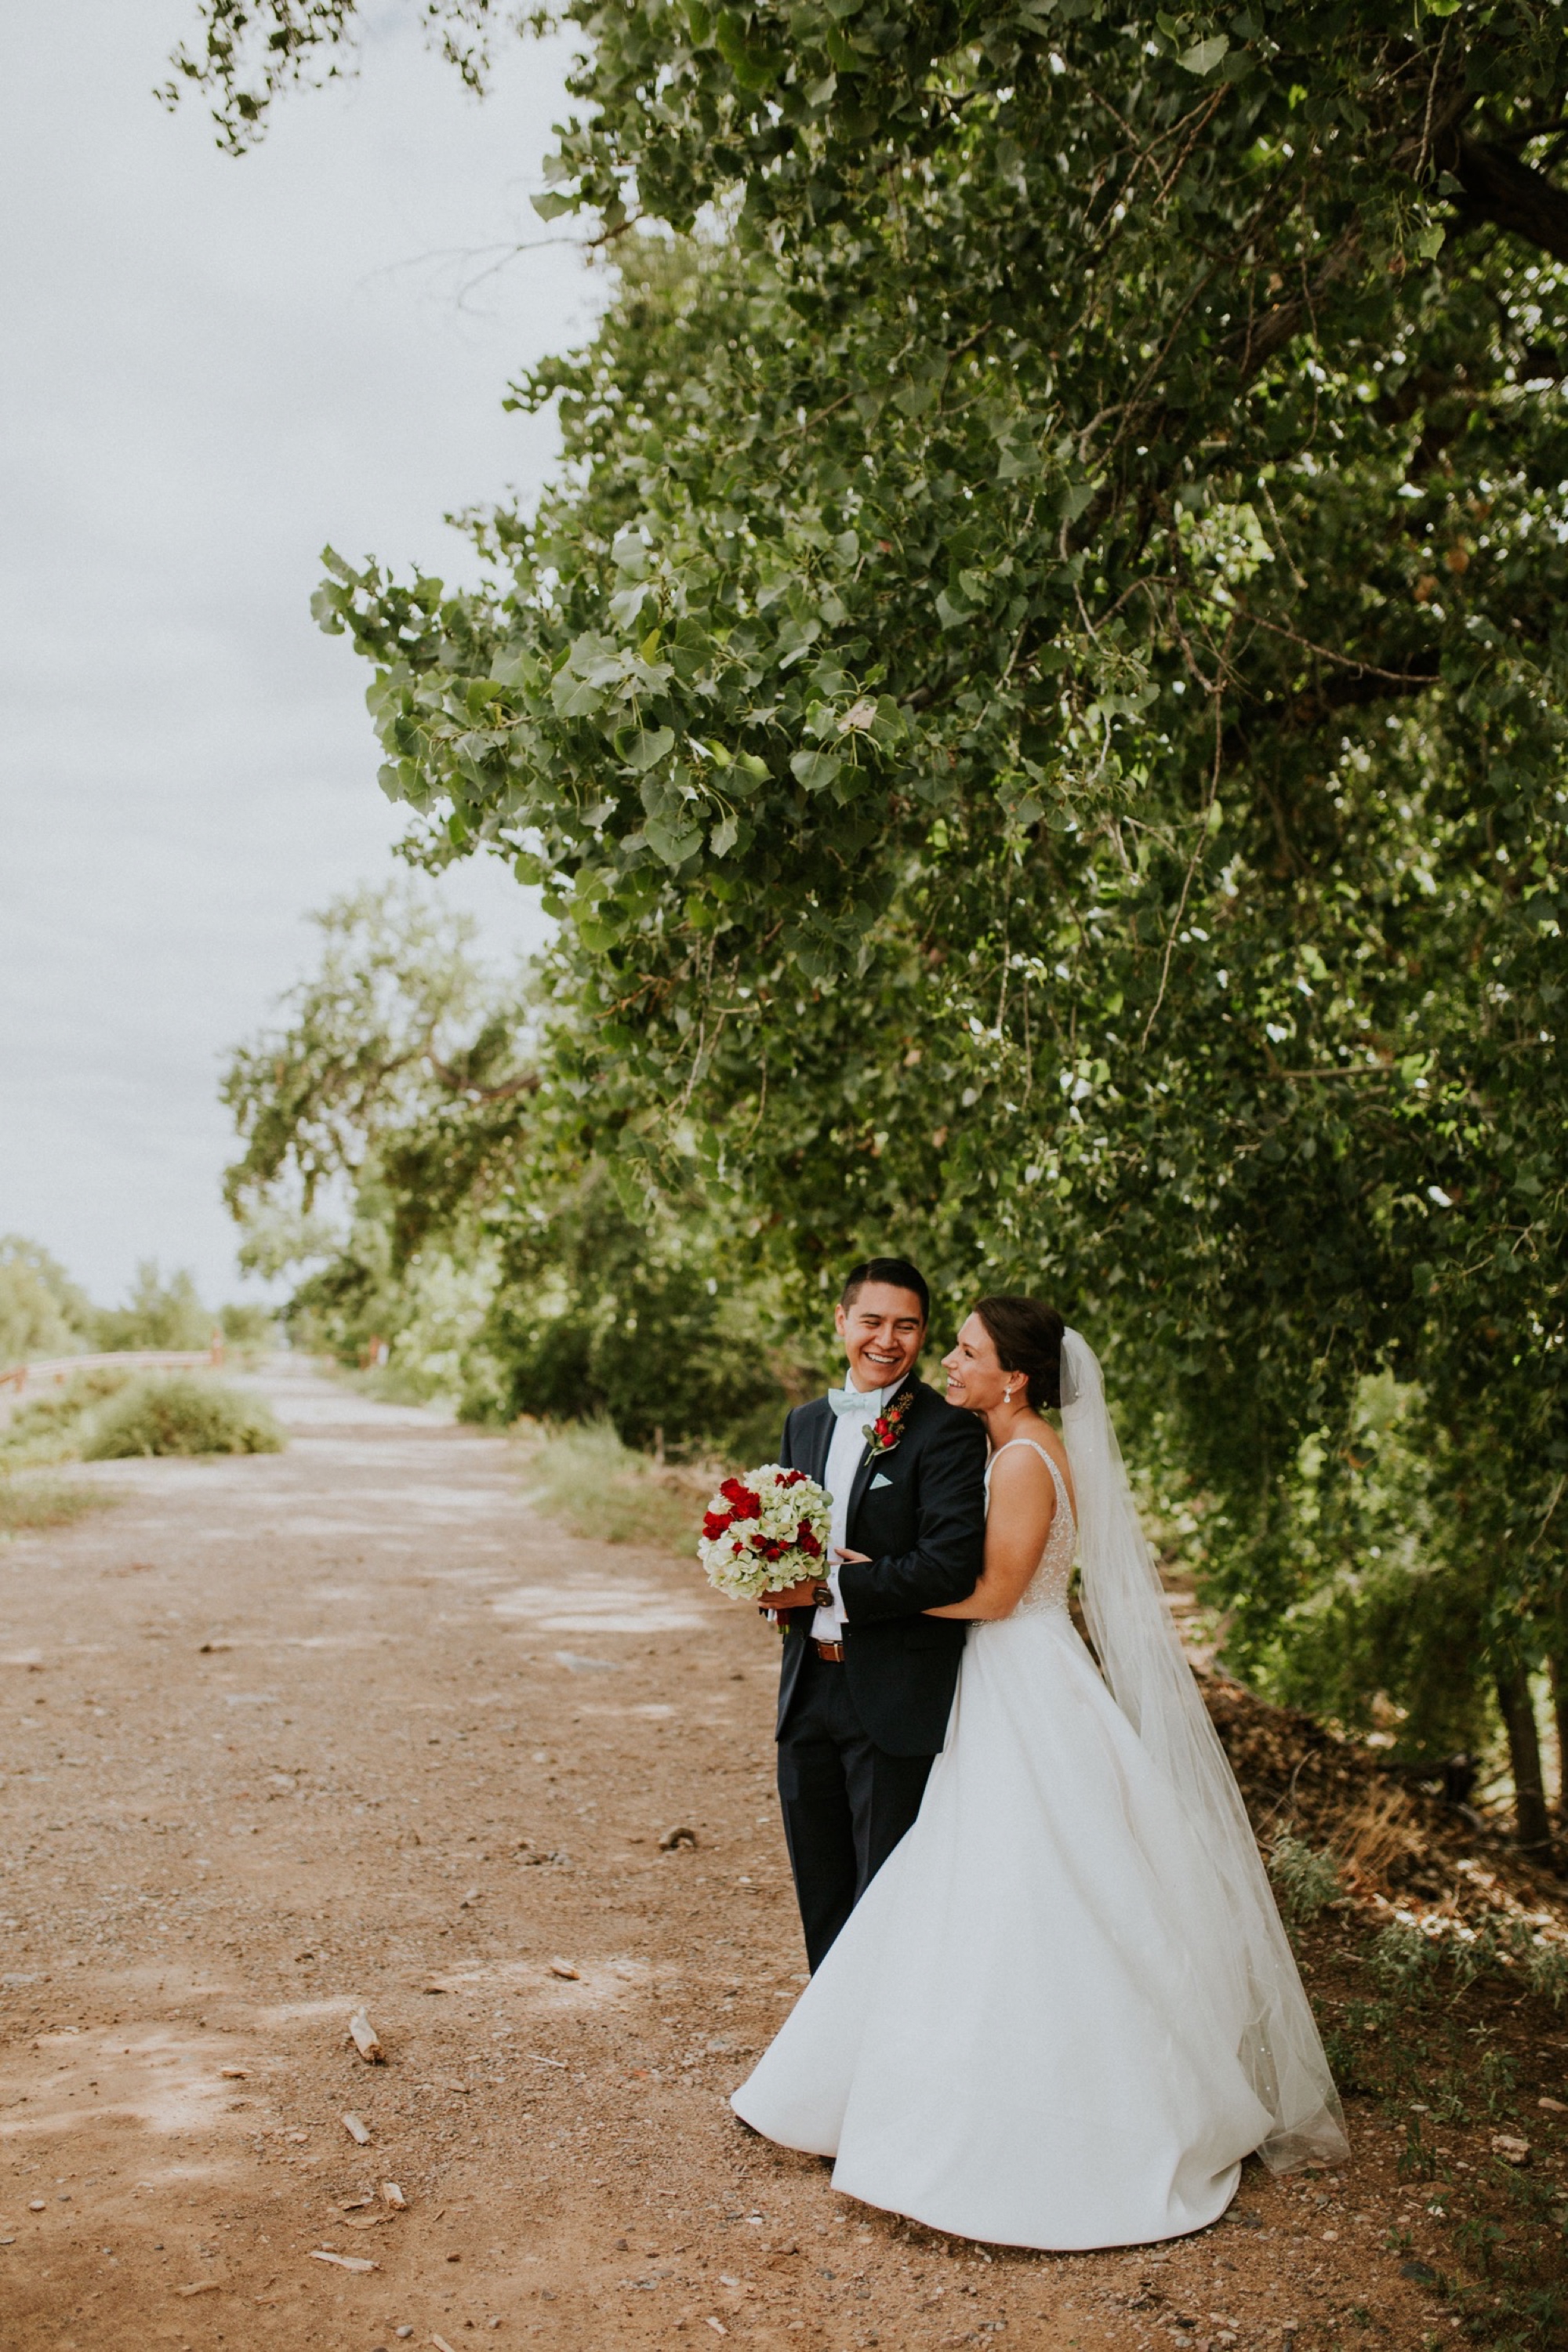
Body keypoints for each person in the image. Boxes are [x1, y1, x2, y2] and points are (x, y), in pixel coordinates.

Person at [733, 1298, 1348, 2250]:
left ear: (1011, 1377)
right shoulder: (1009, 1446)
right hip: (1008, 1675)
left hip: (1019, 1674)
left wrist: (847, 1587)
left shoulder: (1021, 1460)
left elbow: (995, 1592)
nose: (949, 1361)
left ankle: (1038, 2116)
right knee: (980, 1880)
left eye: (965, 1350)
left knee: (1020, 1882)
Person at [757, 1256, 987, 1972]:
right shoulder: (804, 1423)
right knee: (819, 1886)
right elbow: (790, 1543)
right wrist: (769, 1587)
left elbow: (947, 1566)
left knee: (883, 1890)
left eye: (907, 1326)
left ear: (923, 1334)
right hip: (808, 1690)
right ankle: (828, 2056)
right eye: (873, 1322)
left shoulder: (947, 1430)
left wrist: (826, 1590)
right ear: (842, 1322)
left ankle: (887, 2060)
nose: (888, 1340)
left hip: (891, 1694)